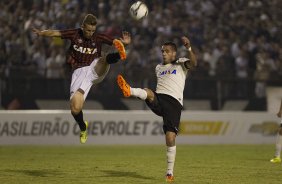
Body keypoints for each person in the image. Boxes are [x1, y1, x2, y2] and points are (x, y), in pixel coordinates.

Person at [32, 14, 131, 144]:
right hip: (79, 72)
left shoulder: (99, 37)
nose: (90, 33)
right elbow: (55, 33)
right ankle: (83, 127)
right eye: (88, 30)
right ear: (82, 26)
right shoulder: (74, 34)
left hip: (95, 69)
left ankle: (119, 55)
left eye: (92, 31)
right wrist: (41, 33)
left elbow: (114, 41)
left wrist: (124, 43)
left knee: (103, 59)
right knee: (75, 109)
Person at [117, 36, 197, 182]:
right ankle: (130, 90)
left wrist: (189, 48)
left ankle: (169, 173)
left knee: (170, 137)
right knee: (148, 91)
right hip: (160, 99)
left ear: (174, 53)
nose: (164, 54)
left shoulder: (180, 64)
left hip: (173, 104)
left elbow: (194, 63)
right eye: (162, 51)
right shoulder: (158, 68)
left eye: (166, 51)